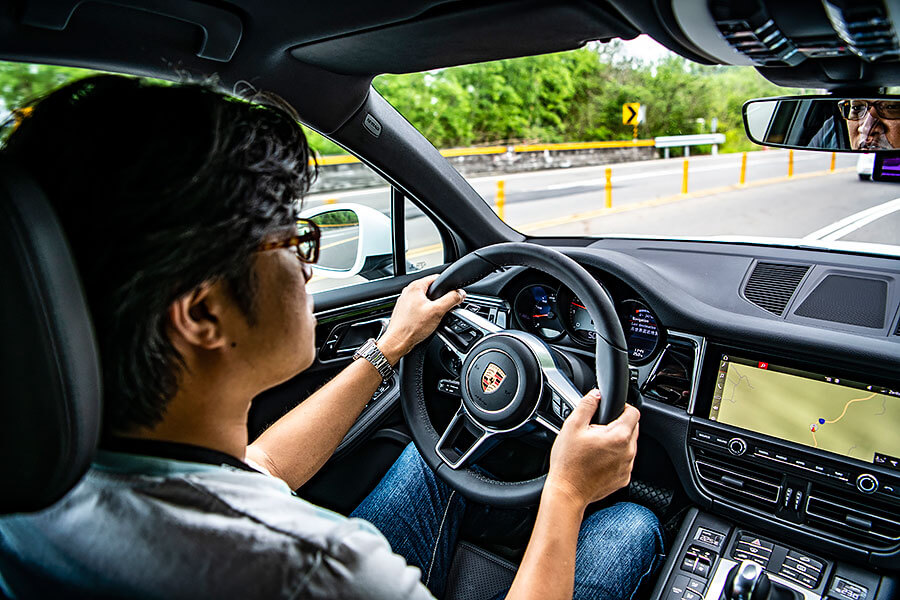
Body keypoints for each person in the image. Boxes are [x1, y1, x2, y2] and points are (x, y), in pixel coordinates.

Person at [0, 75, 662, 599]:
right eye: (294, 239)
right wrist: (567, 492)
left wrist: (387, 349)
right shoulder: (318, 571)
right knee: (633, 526)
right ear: (203, 316)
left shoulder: (49, 485)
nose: (307, 264)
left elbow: (256, 473)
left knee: (425, 464)